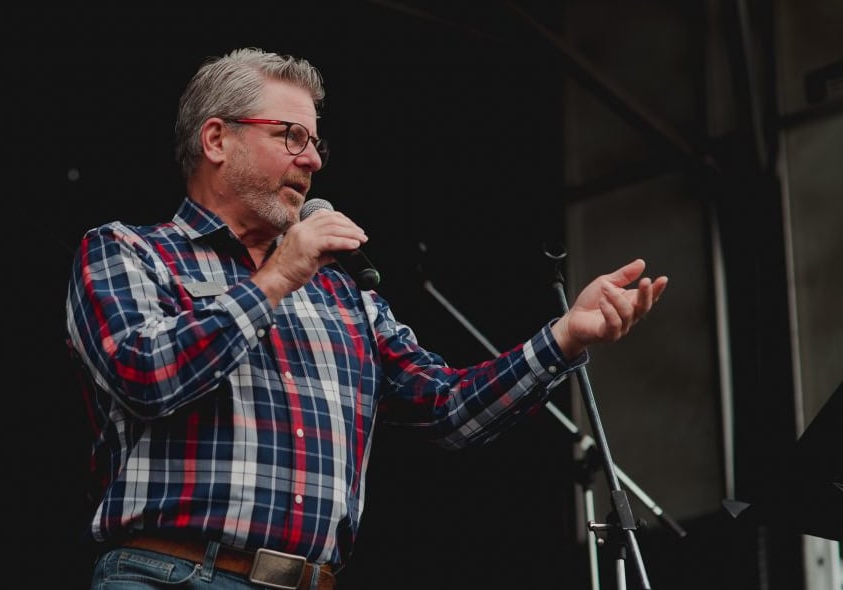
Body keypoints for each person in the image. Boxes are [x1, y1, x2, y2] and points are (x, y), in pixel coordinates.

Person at [64, 46, 668, 590]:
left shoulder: (342, 291)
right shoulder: (128, 251)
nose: (312, 160)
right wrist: (276, 278)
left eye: (315, 143)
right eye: (291, 136)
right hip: (173, 574)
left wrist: (564, 338)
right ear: (217, 140)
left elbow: (448, 409)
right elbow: (146, 375)